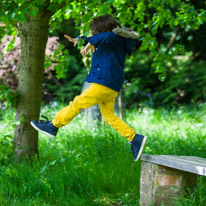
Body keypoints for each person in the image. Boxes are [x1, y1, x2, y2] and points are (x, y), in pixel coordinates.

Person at [31, 14, 147, 161]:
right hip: (112, 85)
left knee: (77, 103)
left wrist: (81, 39)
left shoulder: (111, 37)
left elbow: (102, 37)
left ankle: (53, 125)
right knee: (109, 117)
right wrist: (91, 44)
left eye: (95, 31)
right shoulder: (117, 40)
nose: (93, 34)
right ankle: (134, 138)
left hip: (104, 83)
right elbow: (102, 40)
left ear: (102, 28)